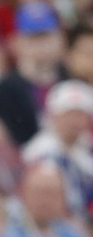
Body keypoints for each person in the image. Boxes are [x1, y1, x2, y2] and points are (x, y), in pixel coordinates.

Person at [0, 1, 64, 146]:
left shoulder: (71, 80)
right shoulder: (5, 90)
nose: (40, 45)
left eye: (45, 36)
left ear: (59, 38)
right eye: (33, 38)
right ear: (18, 41)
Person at [22, 80, 93, 221]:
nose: (76, 121)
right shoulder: (40, 151)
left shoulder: (86, 149)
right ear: (54, 115)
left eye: (81, 114)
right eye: (69, 114)